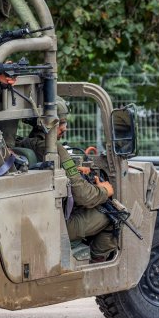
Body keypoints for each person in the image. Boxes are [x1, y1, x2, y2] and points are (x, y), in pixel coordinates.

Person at [51, 98, 120, 262]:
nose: (64, 128)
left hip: (48, 216)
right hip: (58, 223)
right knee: (114, 215)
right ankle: (96, 264)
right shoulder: (57, 150)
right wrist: (105, 190)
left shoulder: (29, 143)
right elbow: (84, 196)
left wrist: (73, 171)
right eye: (60, 122)